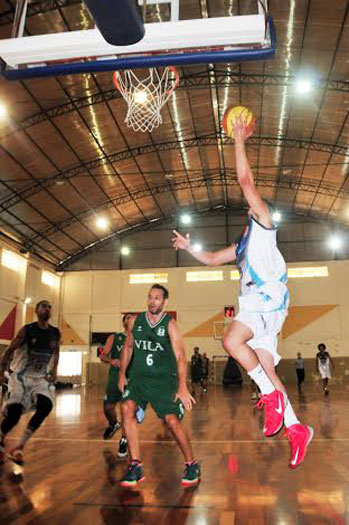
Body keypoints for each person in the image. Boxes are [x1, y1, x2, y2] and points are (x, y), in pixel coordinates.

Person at [172, 118, 313, 469]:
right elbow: (208, 260)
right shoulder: (241, 246)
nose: (250, 203)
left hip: (265, 299)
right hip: (264, 308)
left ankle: (270, 398)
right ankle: (296, 429)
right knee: (266, 368)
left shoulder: (265, 224)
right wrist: (189, 248)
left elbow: (245, 180)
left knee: (232, 342)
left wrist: (238, 140)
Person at [118, 284, 200, 487]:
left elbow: (181, 355)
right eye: (150, 297)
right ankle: (135, 465)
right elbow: (128, 347)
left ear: (165, 302)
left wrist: (182, 386)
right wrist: (121, 374)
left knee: (172, 421)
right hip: (139, 379)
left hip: (164, 382)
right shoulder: (136, 322)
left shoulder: (170, 324)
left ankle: (191, 463)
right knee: (126, 407)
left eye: (157, 298)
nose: (152, 301)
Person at [0, 300, 60, 465]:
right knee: (14, 415)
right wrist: (1, 371)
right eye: (43, 306)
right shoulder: (27, 330)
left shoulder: (55, 332)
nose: (47, 308)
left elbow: (56, 353)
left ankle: (19, 447)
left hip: (40, 378)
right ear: (37, 310)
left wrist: (54, 370)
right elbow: (9, 350)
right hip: (20, 376)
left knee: (46, 406)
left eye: (49, 306)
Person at [100, 313, 134, 458]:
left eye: (133, 318)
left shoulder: (139, 339)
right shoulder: (114, 338)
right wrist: (111, 360)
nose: (130, 319)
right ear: (123, 322)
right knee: (107, 407)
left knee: (127, 410)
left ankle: (124, 441)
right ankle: (113, 424)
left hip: (132, 378)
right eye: (128, 317)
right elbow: (103, 355)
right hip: (115, 376)